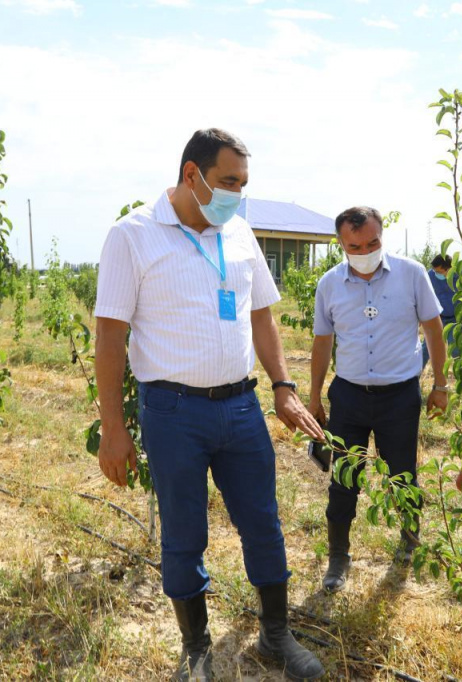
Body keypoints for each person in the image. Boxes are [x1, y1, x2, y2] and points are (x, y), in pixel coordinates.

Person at [94, 128, 325, 681]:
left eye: (243, 184)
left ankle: (275, 635)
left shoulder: (239, 232)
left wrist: (283, 386)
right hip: (173, 412)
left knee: (263, 524)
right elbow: (109, 338)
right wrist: (113, 428)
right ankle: (196, 649)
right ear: (192, 174)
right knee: (184, 533)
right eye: (227, 182)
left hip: (241, 408)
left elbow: (261, 314)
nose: (236, 195)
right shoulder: (134, 236)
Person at [307, 206, 448, 593]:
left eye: (372, 242)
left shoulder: (412, 274)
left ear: (381, 237)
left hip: (399, 396)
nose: (365, 251)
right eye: (355, 245)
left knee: (403, 474)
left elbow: (434, 329)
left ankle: (409, 541)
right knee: (342, 479)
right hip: (349, 396)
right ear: (341, 243)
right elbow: (322, 342)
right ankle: (339, 556)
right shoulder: (329, 285)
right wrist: (314, 395)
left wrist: (440, 384)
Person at [421, 254, 457, 370]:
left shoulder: (459, 275)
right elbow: (422, 295)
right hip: (437, 317)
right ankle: (414, 377)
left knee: (456, 351)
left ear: (448, 269)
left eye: (439, 271)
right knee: (426, 349)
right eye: (434, 271)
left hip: (455, 319)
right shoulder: (430, 276)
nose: (436, 273)